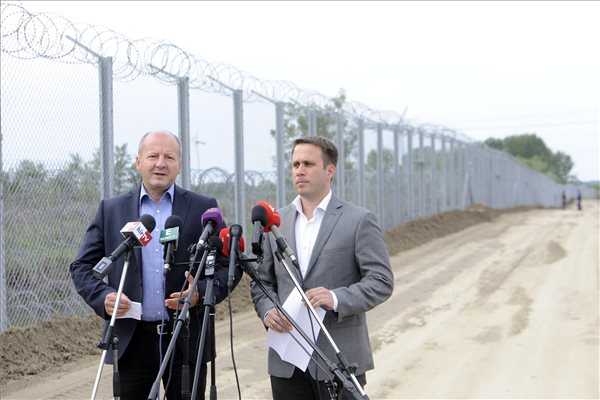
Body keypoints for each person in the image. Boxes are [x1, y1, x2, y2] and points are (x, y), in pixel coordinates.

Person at [70, 130, 241, 400]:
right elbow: (81, 266)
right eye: (153, 156)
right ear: (138, 162)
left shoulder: (203, 207)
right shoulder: (111, 210)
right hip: (132, 341)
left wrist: (200, 292)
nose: (161, 163)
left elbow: (229, 263)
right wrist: (103, 297)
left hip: (186, 339)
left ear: (179, 165)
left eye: (169, 157)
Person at [251, 136, 394, 399]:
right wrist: (268, 310)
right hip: (287, 360)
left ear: (330, 171)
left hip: (340, 360)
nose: (300, 170)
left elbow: (381, 281)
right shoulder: (275, 222)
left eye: (308, 164)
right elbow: (261, 282)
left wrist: (336, 298)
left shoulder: (358, 220)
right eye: (295, 164)